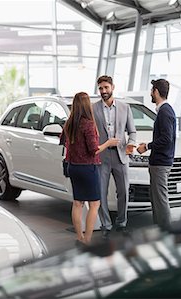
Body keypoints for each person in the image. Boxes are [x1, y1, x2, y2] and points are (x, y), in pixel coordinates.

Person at [63, 92, 119, 245]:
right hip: (88, 168)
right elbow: (93, 149)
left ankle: (79, 237)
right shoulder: (88, 123)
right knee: (95, 204)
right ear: (87, 105)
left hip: (73, 167)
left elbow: (62, 141)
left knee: (77, 203)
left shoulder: (69, 123)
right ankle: (87, 239)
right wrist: (109, 143)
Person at [93, 75, 136, 238]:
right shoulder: (93, 108)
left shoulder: (125, 108)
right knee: (101, 192)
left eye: (106, 88)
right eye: (101, 88)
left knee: (123, 191)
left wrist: (131, 143)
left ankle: (122, 222)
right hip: (102, 156)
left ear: (112, 87)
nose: (103, 91)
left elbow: (132, 131)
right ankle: (106, 224)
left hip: (121, 156)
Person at [137, 79, 176, 231]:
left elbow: (167, 138)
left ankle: (166, 232)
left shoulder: (165, 111)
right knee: (157, 198)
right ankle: (160, 230)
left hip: (161, 163)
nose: (150, 93)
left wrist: (147, 146)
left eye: (152, 90)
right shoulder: (164, 110)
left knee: (160, 199)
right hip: (159, 162)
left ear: (157, 92)